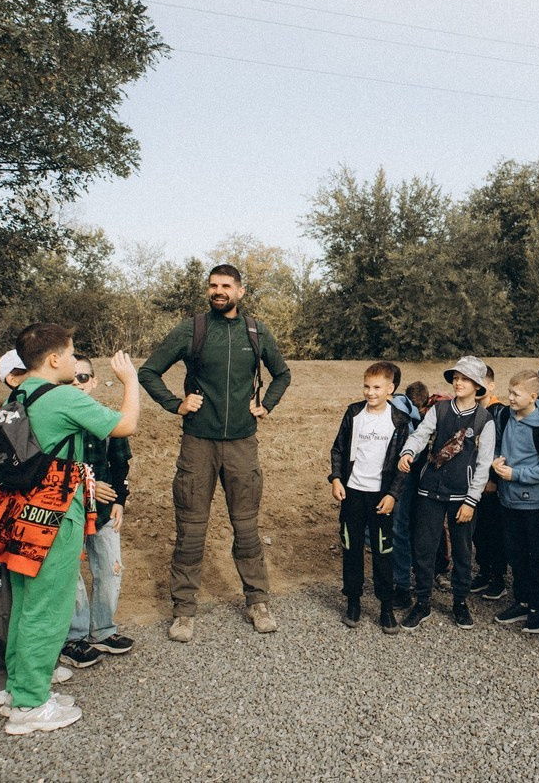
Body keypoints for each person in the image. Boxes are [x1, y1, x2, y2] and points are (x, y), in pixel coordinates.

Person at [0, 323, 140, 735]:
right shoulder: (59, 396)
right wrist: (130, 381)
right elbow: (125, 425)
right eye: (73, 352)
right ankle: (31, 706)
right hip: (53, 513)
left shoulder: (19, 393)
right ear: (55, 359)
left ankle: (21, 688)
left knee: (25, 603)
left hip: (18, 511)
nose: (77, 359)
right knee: (48, 607)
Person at [138, 263, 292, 641]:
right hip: (198, 444)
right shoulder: (193, 328)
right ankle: (184, 611)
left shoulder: (255, 331)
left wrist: (266, 404)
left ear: (240, 291)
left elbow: (282, 373)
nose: (218, 291)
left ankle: (258, 602)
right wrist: (176, 404)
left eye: (225, 286)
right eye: (213, 286)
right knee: (191, 531)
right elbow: (148, 372)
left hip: (242, 444)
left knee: (247, 528)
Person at [0, 351, 72, 707]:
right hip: (3, 524)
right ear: (13, 379)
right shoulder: (6, 417)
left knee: (23, 604)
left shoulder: (30, 411)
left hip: (14, 520)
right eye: (22, 372)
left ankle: (22, 677)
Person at [396, 356, 496, 631]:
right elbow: (420, 435)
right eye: (456, 377)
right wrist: (408, 451)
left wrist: (472, 501)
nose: (458, 382)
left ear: (477, 385)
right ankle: (423, 602)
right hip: (429, 491)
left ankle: (460, 602)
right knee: (424, 547)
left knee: (463, 551)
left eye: (464, 378)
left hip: (462, 496)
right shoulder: (439, 410)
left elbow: (483, 463)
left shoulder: (484, 419)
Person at [59, 357, 136, 669]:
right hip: (70, 510)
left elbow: (121, 463)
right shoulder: (60, 421)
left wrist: (120, 500)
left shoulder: (105, 420)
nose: (77, 382)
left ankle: (102, 630)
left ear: (92, 381)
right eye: (71, 378)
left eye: (83, 377)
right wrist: (87, 488)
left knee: (110, 568)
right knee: (70, 575)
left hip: (104, 511)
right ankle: (73, 638)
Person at [329, 362, 412, 634]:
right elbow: (339, 448)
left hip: (381, 496)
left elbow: (402, 463)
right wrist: (337, 479)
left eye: (377, 387)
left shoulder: (399, 420)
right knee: (351, 547)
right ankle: (353, 601)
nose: (370, 392)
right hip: (353, 492)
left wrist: (392, 494)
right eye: (366, 386)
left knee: (382, 551)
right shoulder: (354, 413)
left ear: (391, 389)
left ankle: (386, 606)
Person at [490, 370, 539, 634]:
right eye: (509, 392)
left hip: (536, 504)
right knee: (515, 553)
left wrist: (516, 474)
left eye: (516, 394)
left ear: (533, 396)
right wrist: (496, 460)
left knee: (537, 556)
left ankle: (537, 609)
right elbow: (498, 444)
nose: (509, 398)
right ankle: (521, 601)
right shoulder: (505, 416)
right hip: (508, 500)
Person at [471, 366, 509, 602]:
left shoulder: (499, 411)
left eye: (482, 381)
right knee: (478, 531)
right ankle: (483, 570)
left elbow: (503, 446)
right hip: (473, 481)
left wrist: (493, 479)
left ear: (491, 385)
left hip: (491, 483)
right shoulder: (470, 410)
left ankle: (498, 577)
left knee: (494, 530)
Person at [392, 379, 429, 609]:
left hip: (400, 476)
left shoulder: (397, 410)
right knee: (404, 527)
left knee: (398, 528)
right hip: (412, 476)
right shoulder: (418, 415)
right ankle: (405, 583)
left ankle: (401, 584)